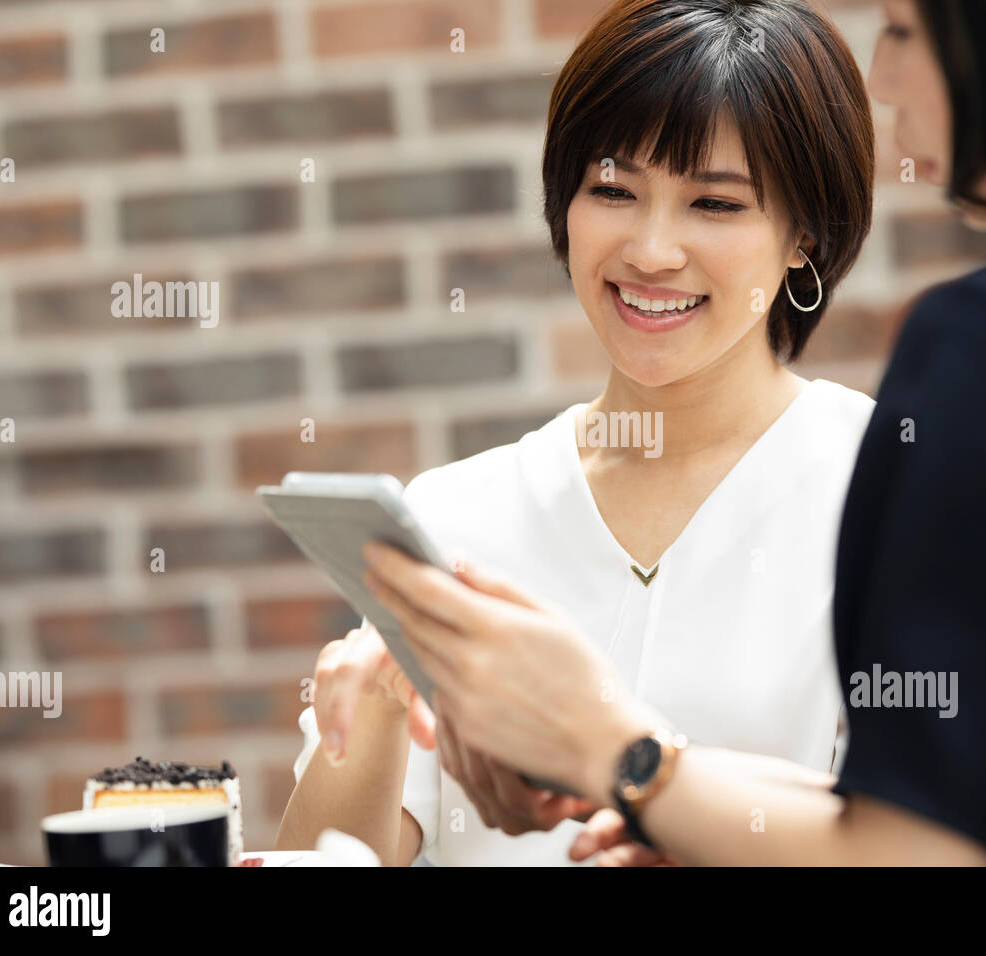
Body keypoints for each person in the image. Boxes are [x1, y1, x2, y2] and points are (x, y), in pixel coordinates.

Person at [360, 0, 986, 865]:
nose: (884, 72)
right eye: (612, 190)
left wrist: (623, 756)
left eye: (906, 30)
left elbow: (920, 847)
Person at [276, 0, 877, 865]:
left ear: (805, 237)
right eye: (612, 190)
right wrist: (372, 709)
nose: (651, 250)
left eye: (714, 203)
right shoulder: (449, 518)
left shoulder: (889, 493)